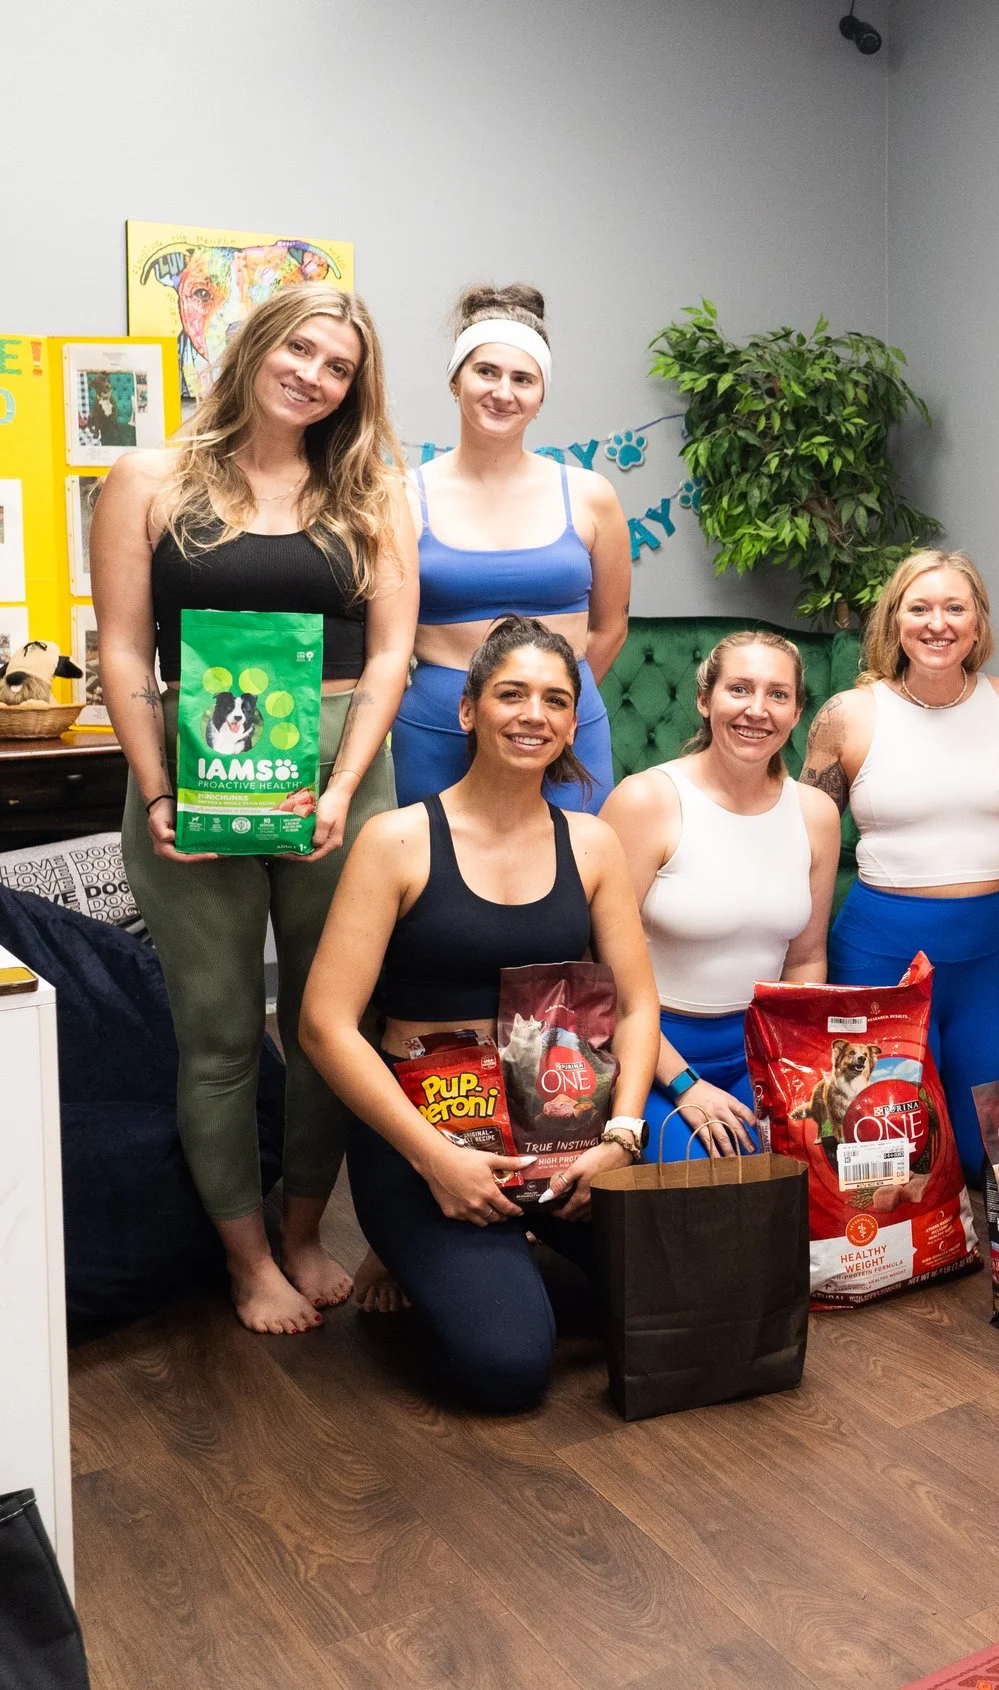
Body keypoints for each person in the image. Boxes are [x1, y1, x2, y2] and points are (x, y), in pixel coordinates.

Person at [89, 281, 417, 1335]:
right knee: (222, 1031)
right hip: (195, 767)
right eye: (303, 351)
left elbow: (393, 650)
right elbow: (128, 649)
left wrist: (342, 782)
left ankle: (308, 1232)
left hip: (340, 772)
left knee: (331, 1023)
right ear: (258, 345)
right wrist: (157, 790)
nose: (315, 377)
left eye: (339, 368)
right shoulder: (148, 478)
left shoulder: (374, 492)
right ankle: (246, 1260)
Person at [301, 618, 658, 1411]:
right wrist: (437, 1161)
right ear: (469, 711)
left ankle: (494, 1253)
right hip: (430, 1138)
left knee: (690, 1294)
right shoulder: (397, 842)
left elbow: (636, 1004)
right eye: (512, 694)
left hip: (561, 1136)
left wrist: (619, 1140)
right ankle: (419, 1254)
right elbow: (325, 1023)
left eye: (555, 700)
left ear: (572, 723)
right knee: (504, 1371)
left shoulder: (593, 846)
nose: (534, 714)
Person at [800, 550, 999, 1181]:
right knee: (897, 1158)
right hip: (884, 954)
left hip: (992, 956)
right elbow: (805, 852)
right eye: (920, 607)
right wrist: (804, 967)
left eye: (955, 608)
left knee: (983, 1160)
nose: (938, 623)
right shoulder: (848, 715)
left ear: (978, 623)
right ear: (894, 620)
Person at [602, 631, 843, 1160]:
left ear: (797, 711)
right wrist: (685, 1085)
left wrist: (794, 1067)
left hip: (758, 1047)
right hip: (647, 1048)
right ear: (704, 699)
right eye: (739, 689)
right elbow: (599, 969)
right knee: (705, 1187)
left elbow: (806, 959)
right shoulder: (646, 800)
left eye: (778, 695)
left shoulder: (817, 815)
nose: (757, 710)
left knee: (818, 1173)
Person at [392, 284, 630, 811]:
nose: (504, 392)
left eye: (523, 379)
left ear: (541, 397)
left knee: (571, 874)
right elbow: (383, 637)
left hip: (564, 730)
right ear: (455, 381)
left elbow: (609, 626)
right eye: (486, 372)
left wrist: (549, 705)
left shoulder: (591, 495)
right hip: (437, 726)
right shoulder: (402, 497)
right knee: (434, 880)